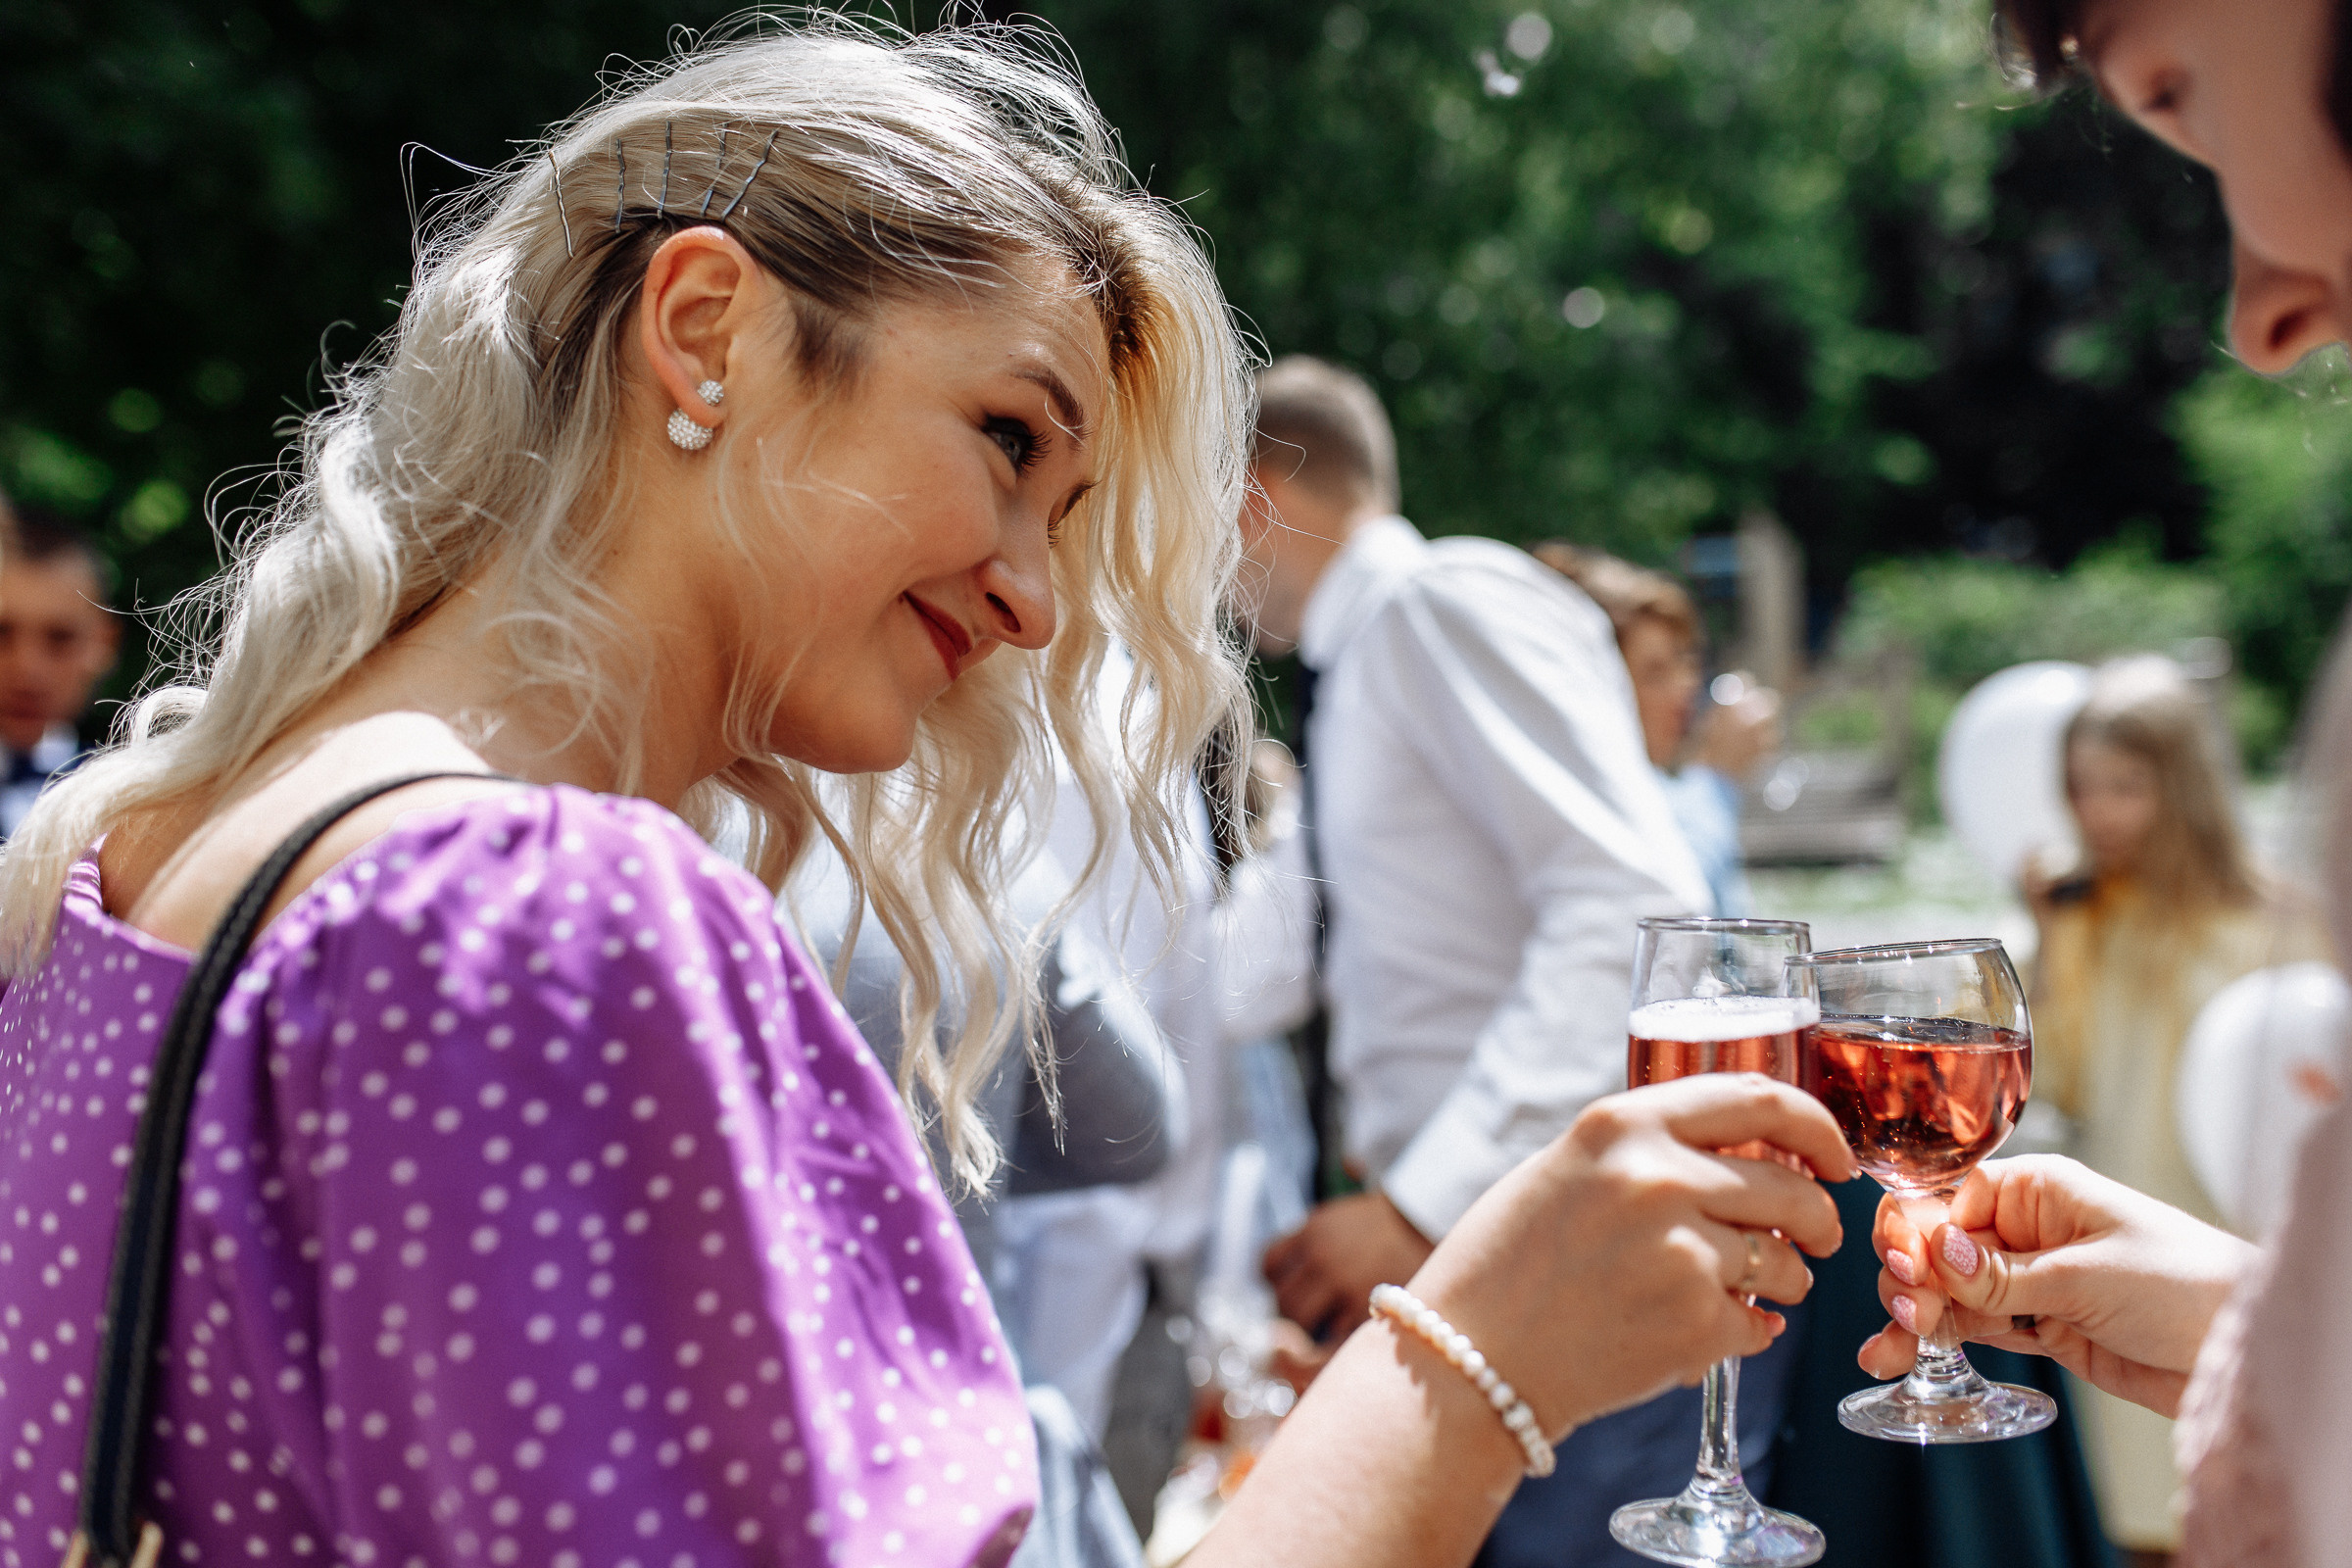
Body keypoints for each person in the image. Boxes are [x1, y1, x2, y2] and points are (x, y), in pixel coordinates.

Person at [0, 21, 1853, 1568]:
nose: (1036, 597)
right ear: (705, 330)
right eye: (1009, 437)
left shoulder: (142, 861)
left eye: (1067, 512)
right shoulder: (542, 914)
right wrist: (1474, 1363)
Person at [1864, 2, 2352, 1567]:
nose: (2258, 317)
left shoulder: (2257, 921)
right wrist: (2233, 1317)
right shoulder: (2076, 914)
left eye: (2186, 96)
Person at [1237, 358, 1725, 1567]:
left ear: (1248, 498)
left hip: (1552, 1246)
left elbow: (1629, 904)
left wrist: (1424, 1205)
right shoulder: (1366, 658)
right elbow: (1267, 974)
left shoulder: (1437, 603)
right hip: (1487, 1244)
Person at [2023, 655, 2328, 1557]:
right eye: (2081, 788)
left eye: (2125, 786)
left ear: (2185, 787)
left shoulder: (2282, 922)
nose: (2098, 812)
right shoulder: (2088, 917)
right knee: (2133, 1506)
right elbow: (2060, 1080)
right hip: (2119, 1241)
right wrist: (2045, 941)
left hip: (2232, 1253)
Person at [1532, 542, 1782, 917]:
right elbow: (1673, 914)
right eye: (1655, 672)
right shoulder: (1582, 803)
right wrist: (1717, 778)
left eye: (1686, 661)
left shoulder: (1664, 788)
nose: (1685, 688)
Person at [0, 508, 119, 836]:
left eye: (60, 638)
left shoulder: (127, 805)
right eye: (1, 634)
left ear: (104, 644)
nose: (27, 670)